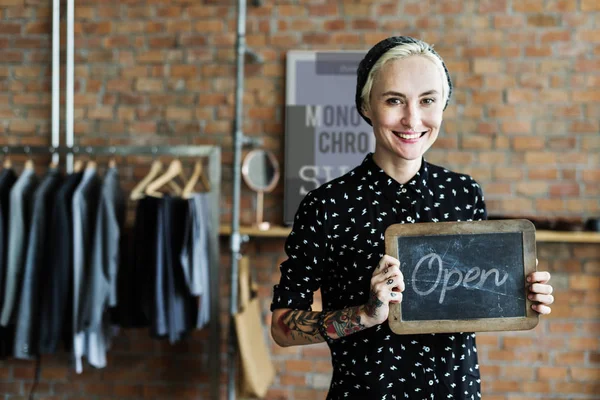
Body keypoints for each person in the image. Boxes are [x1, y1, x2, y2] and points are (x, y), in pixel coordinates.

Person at [270, 36, 554, 399]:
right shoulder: (327, 205)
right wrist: (364, 314)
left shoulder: (464, 194)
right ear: (366, 105)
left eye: (427, 101)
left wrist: (521, 294)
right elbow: (281, 327)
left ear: (443, 105)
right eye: (394, 100)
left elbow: (475, 297)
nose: (412, 119)